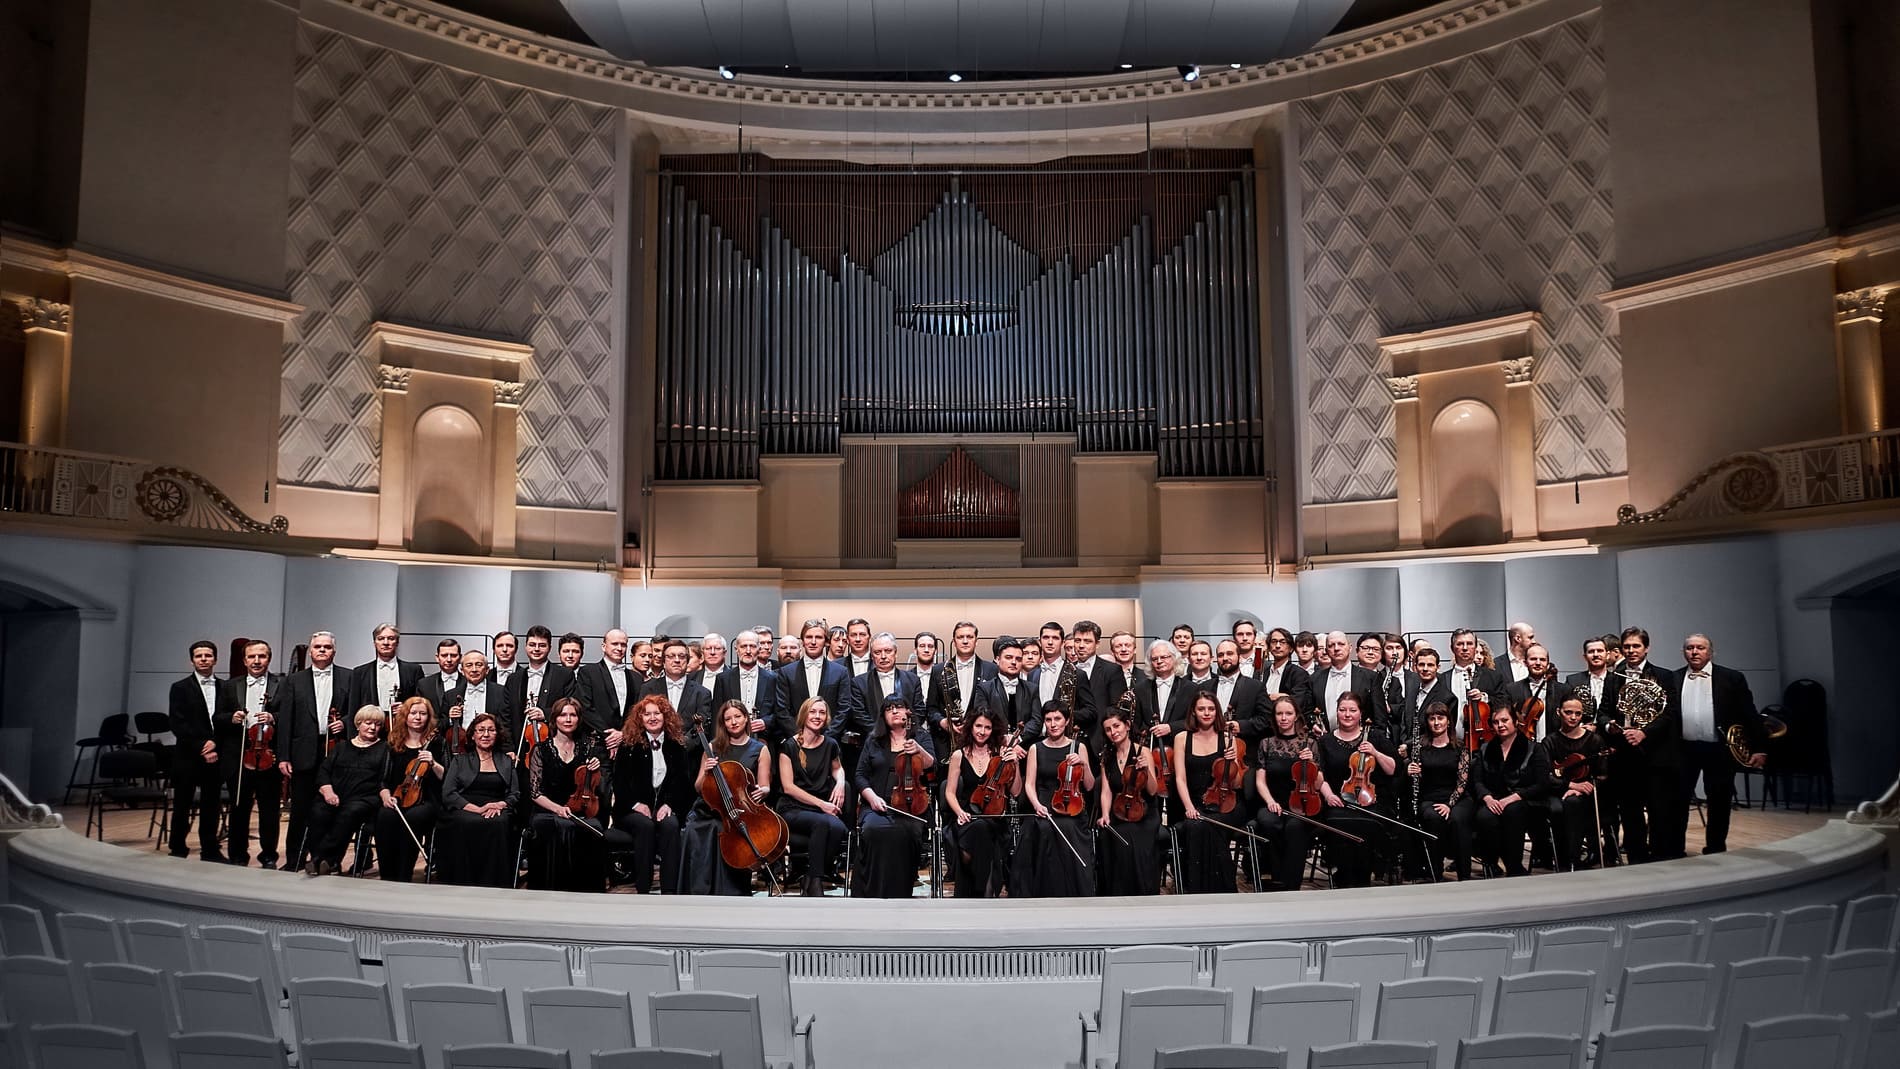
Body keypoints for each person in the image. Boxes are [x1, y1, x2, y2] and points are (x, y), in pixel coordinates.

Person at [1668, 633, 1764, 857]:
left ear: (1711, 652)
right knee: (1678, 800)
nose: (1694, 652)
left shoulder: (1732, 678)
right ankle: (1675, 849)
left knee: (1719, 800)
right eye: (1690, 648)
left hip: (1719, 749)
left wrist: (1759, 748)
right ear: (1683, 652)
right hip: (1684, 749)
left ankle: (1715, 848)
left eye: (1700, 648)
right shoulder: (1673, 678)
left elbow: (1749, 714)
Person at [682, 699, 773, 895]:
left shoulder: (760, 749)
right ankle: (700, 890)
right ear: (723, 723)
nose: (733, 722)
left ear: (746, 718)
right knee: (696, 829)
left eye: (737, 716)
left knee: (727, 829)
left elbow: (765, 785)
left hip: (740, 810)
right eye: (728, 719)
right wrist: (707, 772)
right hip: (711, 809)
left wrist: (764, 790)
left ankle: (730, 890)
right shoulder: (712, 747)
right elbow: (698, 786)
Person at [608, 694, 693, 894]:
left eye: (657, 713)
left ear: (666, 717)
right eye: (647, 714)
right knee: (644, 825)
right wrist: (636, 805)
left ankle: (670, 890)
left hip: (664, 807)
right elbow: (619, 783)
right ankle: (643, 889)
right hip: (630, 810)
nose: (652, 718)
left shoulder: (676, 745)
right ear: (640, 718)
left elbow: (682, 783)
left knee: (671, 825)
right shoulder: (628, 745)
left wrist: (669, 805)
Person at [853, 697, 935, 898]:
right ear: (883, 716)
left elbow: (932, 767)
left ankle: (901, 891)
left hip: (912, 806)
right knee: (873, 830)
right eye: (889, 709)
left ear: (908, 712)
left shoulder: (921, 736)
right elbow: (860, 775)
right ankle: (872, 891)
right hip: (877, 805)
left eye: (899, 707)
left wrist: (919, 750)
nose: (895, 711)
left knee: (908, 832)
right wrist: (872, 797)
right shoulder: (874, 740)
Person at [1013, 700, 1095, 897]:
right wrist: (1037, 805)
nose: (1053, 724)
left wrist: (1083, 764)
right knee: (1038, 829)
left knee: (1068, 827)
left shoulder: (1079, 747)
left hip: (1072, 807)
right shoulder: (1036, 748)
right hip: (1043, 806)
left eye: (1057, 719)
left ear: (1066, 721)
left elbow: (1090, 785)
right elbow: (1029, 784)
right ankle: (1041, 893)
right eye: (1048, 719)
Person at [1315, 692, 1396, 888]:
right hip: (1338, 801)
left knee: (1368, 823)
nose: (1347, 714)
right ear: (1336, 712)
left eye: (1352, 710)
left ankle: (1362, 876)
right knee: (1337, 822)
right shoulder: (1325, 741)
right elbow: (1319, 774)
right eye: (1342, 710)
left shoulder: (1374, 737)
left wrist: (1375, 752)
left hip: (1370, 801)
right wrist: (1329, 795)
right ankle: (1345, 875)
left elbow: (1393, 768)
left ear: (1360, 713)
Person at [526, 697, 607, 892]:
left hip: (577, 810)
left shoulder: (586, 748)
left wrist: (595, 769)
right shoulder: (540, 750)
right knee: (554, 826)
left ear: (579, 719)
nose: (568, 719)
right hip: (548, 811)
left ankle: (586, 892)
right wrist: (557, 809)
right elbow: (535, 793)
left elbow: (594, 786)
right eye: (563, 715)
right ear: (555, 719)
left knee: (594, 827)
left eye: (573, 715)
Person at [435, 712, 520, 887]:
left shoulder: (506, 761)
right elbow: (449, 793)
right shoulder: (460, 760)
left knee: (500, 823)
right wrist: (477, 809)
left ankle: (495, 883)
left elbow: (515, 793)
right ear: (473, 735)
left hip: (497, 807)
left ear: (498, 734)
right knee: (464, 822)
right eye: (481, 730)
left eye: (491, 730)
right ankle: (462, 880)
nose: (486, 734)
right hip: (464, 807)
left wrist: (501, 804)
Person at [302, 706, 389, 875]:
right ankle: (325, 861)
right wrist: (328, 792)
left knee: (349, 813)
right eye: (368, 723)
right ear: (358, 724)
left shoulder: (385, 749)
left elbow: (383, 779)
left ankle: (322, 860)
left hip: (364, 798)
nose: (372, 727)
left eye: (377, 724)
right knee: (319, 812)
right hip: (334, 794)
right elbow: (324, 772)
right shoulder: (341, 747)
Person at [944, 708, 1020, 898]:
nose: (982, 731)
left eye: (987, 727)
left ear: (993, 730)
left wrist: (1015, 764)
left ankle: (976, 890)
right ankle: (985, 891)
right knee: (979, 829)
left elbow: (1016, 791)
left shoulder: (1000, 754)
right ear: (970, 727)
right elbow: (950, 792)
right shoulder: (959, 755)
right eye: (978, 726)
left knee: (983, 829)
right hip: (967, 816)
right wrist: (960, 812)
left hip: (995, 818)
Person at [220, 639, 283, 867]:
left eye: (262, 656)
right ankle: (238, 855)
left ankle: (268, 855)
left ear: (269, 658)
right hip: (240, 757)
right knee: (239, 808)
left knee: (269, 810)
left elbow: (292, 715)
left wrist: (274, 717)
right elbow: (217, 717)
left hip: (269, 757)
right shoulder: (230, 686)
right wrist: (231, 718)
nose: (257, 661)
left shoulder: (282, 684)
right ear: (244, 660)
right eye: (252, 657)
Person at [777, 697, 848, 897]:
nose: (817, 716)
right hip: (792, 807)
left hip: (819, 808)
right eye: (813, 712)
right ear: (804, 715)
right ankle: (816, 883)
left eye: (822, 713)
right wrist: (822, 805)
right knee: (822, 824)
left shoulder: (830, 744)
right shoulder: (789, 746)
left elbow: (837, 768)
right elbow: (788, 787)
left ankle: (810, 876)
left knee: (839, 828)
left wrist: (841, 782)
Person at [1472, 705, 1552, 877]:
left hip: (1526, 800)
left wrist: (1513, 797)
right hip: (1494, 799)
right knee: (1485, 816)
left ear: (1515, 722)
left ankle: (1514, 866)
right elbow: (1477, 780)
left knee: (1513, 811)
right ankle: (1491, 864)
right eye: (1495, 722)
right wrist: (1487, 798)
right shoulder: (1485, 749)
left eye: (1504, 720)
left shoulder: (1534, 748)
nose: (1500, 725)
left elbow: (1542, 784)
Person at [1172, 691, 1239, 894]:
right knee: (1195, 825)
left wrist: (1233, 762)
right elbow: (1180, 778)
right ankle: (1196, 890)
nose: (1207, 713)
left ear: (1217, 711)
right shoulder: (1182, 738)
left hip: (1222, 803)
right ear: (1194, 711)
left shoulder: (1227, 738)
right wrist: (1189, 807)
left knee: (1211, 825)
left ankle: (1222, 890)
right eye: (1201, 709)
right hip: (1192, 802)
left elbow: (1235, 783)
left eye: (1211, 709)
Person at [168, 640, 228, 862]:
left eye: (208, 655)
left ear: (215, 659)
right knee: (182, 804)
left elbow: (226, 721)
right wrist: (203, 746)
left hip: (216, 755)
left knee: (211, 805)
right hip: (188, 756)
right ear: (192, 660)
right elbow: (178, 723)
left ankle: (210, 850)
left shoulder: (226, 687)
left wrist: (215, 743)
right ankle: (177, 848)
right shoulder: (180, 687)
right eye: (198, 656)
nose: (203, 659)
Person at [1251, 695, 1319, 891]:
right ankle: (1276, 877)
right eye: (1279, 713)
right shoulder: (1266, 743)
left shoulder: (1310, 743)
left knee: (1294, 827)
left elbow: (1318, 782)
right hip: (1273, 801)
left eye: (1288, 713)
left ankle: (1291, 884)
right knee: (1269, 822)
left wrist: (1311, 763)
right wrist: (1270, 802)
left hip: (1301, 802)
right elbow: (1260, 780)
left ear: (1296, 716)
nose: (1283, 718)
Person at [1095, 705, 1162, 896]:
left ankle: (1140, 893)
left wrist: (1146, 769)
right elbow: (1106, 791)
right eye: (1108, 729)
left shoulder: (1143, 751)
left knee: (1131, 835)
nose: (1113, 732)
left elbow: (1153, 790)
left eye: (1116, 726)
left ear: (1127, 725)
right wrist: (1105, 815)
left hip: (1144, 813)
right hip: (1119, 811)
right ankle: (1115, 895)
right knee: (1108, 835)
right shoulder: (1106, 758)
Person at [376, 696, 444, 882]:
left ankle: (404, 874)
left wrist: (433, 763)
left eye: (423, 713)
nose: (418, 717)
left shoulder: (437, 742)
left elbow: (447, 776)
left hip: (427, 799)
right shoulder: (394, 742)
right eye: (413, 713)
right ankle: (387, 875)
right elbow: (383, 778)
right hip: (397, 796)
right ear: (405, 716)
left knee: (414, 817)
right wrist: (385, 796)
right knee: (385, 816)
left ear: (428, 717)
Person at [1405, 702, 1473, 881]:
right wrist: (1411, 771)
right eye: (1432, 719)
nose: (1436, 723)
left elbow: (1462, 782)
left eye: (1440, 718)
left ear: (1448, 721)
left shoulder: (1460, 748)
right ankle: (1435, 873)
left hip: (1457, 798)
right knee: (1433, 818)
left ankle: (1464, 875)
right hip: (1430, 798)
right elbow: (1418, 780)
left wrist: (1449, 804)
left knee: (1458, 819)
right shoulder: (1419, 747)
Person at [1543, 692, 1608, 870]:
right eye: (1568, 712)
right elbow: (1544, 776)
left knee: (1573, 802)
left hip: (1588, 793)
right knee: (1559, 807)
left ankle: (1572, 860)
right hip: (1558, 791)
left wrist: (1582, 788)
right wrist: (1570, 785)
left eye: (1578, 714)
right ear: (1559, 712)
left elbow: (1603, 775)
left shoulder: (1595, 740)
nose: (1573, 717)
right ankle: (1564, 858)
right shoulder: (1550, 741)